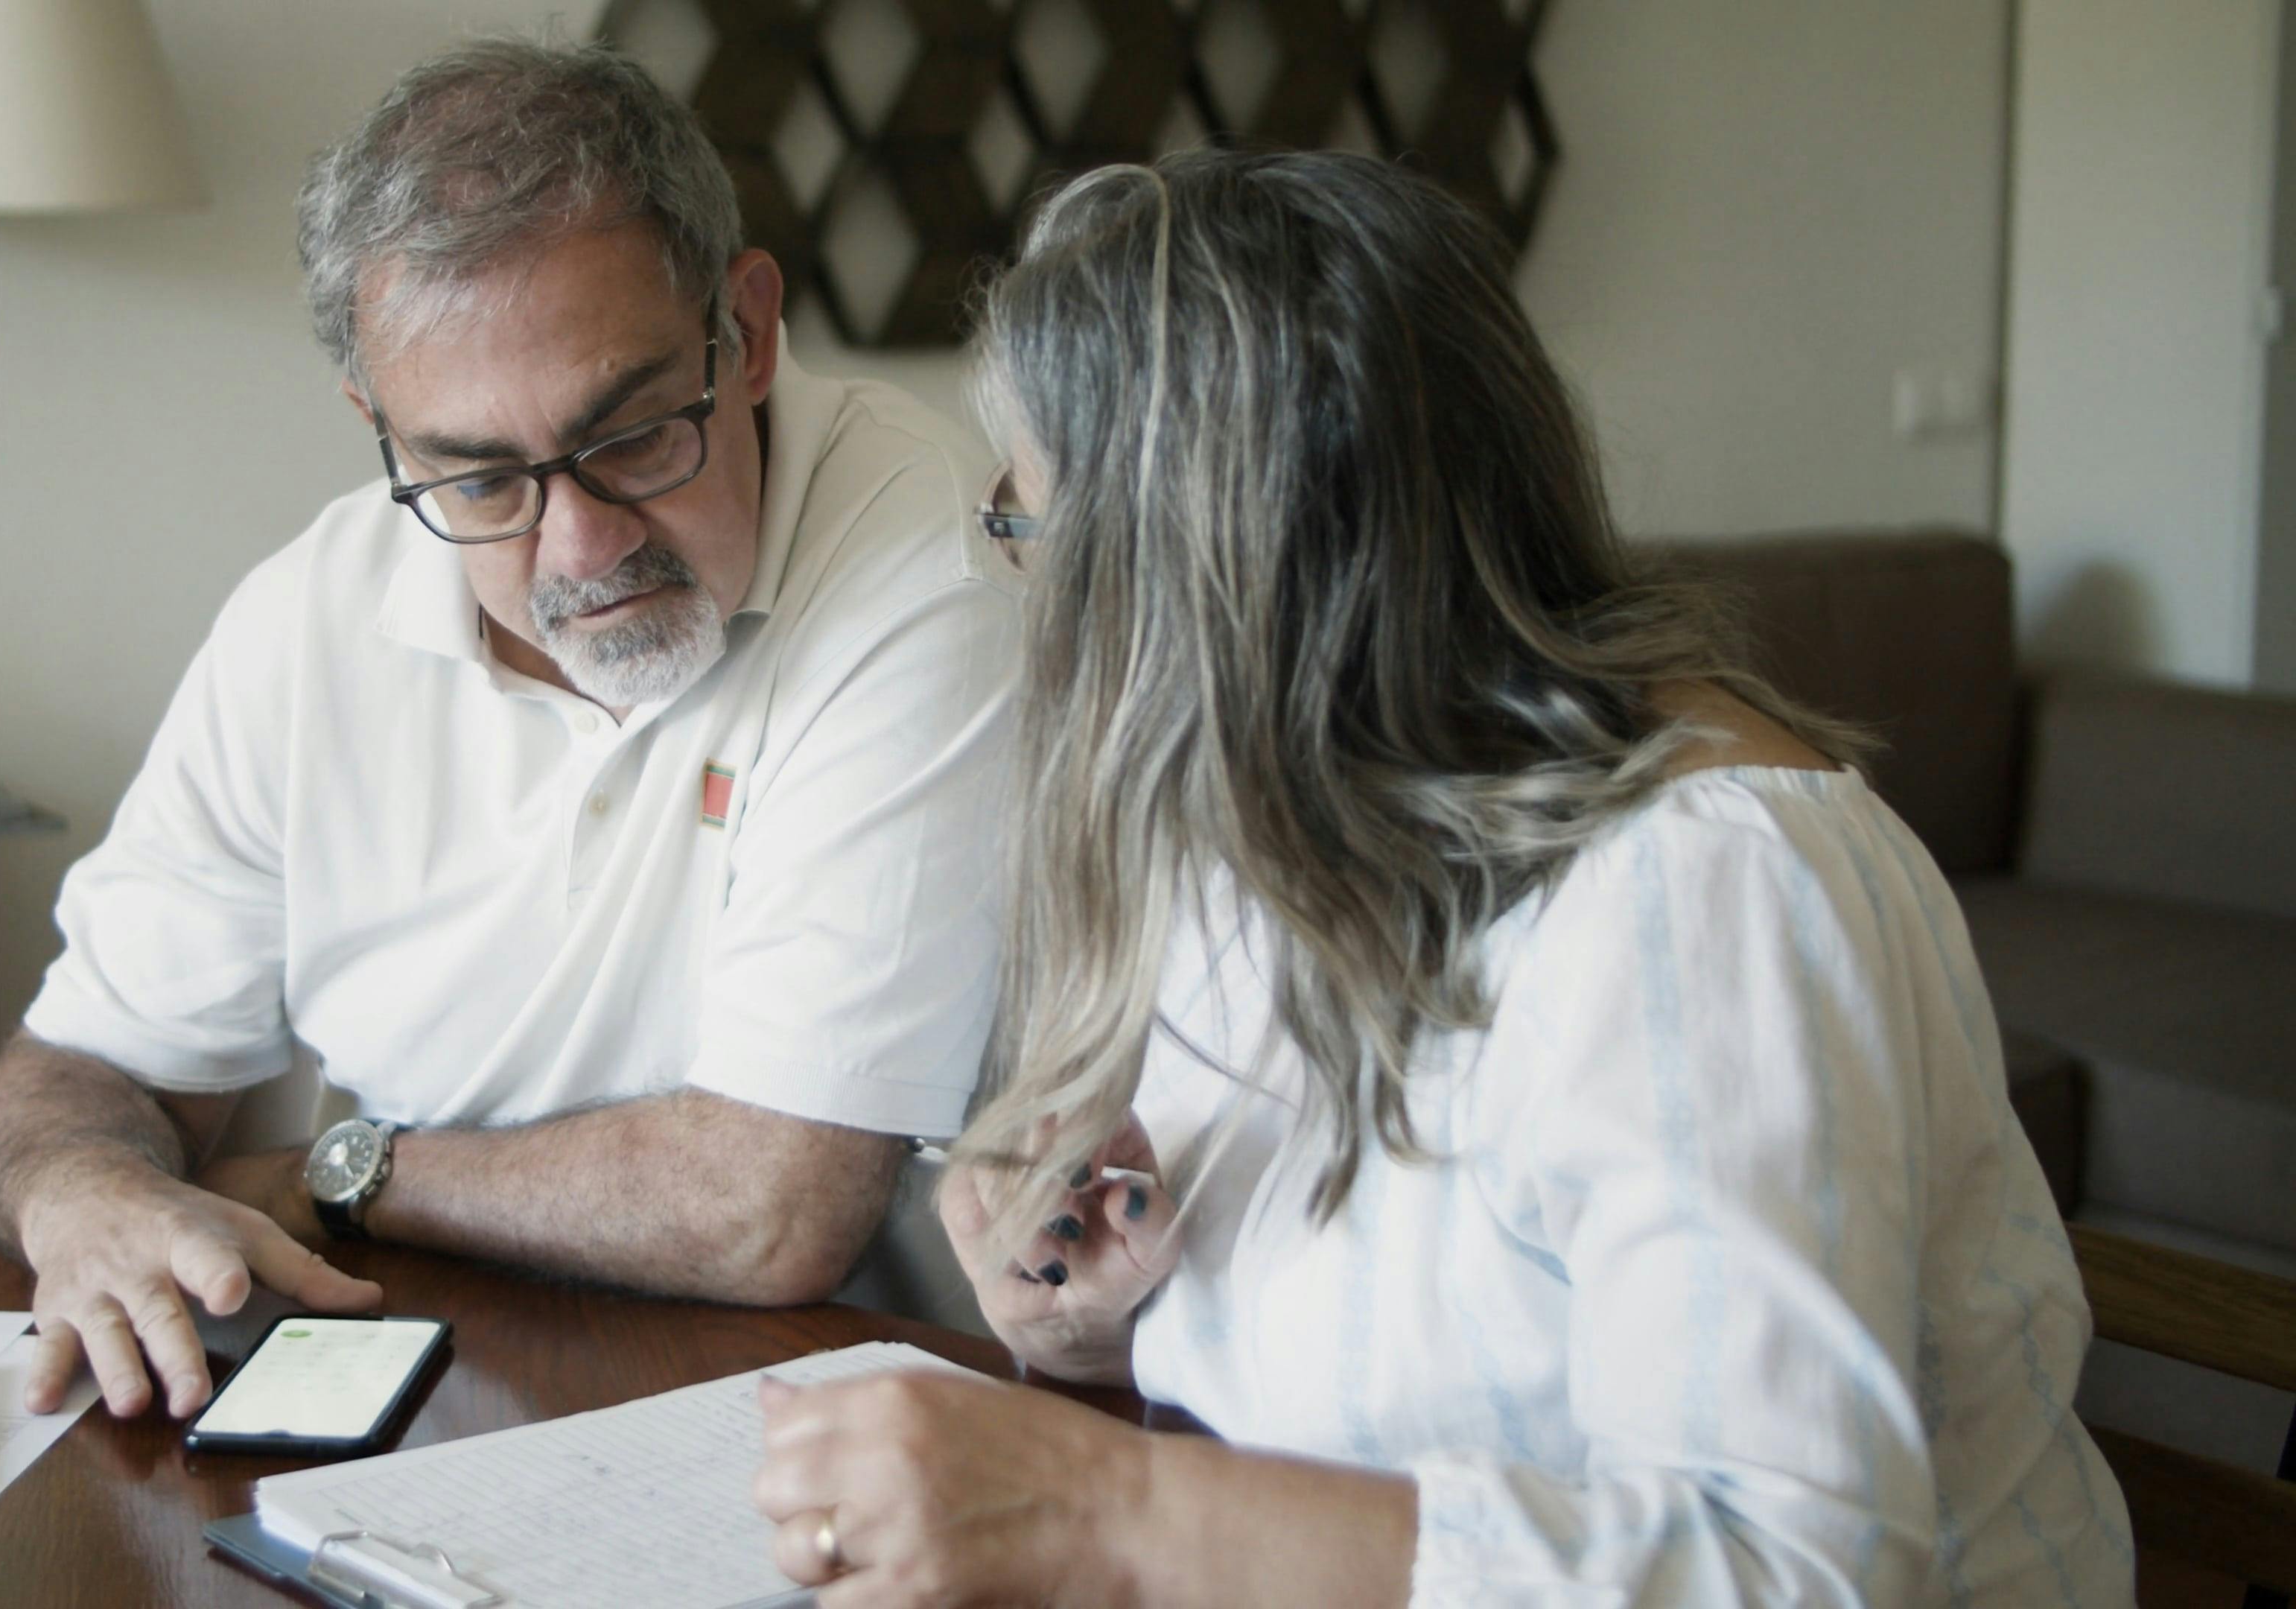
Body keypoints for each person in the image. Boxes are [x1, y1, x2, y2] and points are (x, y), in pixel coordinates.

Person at [751, 151, 2132, 1607]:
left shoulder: (1703, 888)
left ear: (1208, 581)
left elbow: (1782, 1570)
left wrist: (1108, 1508)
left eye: (1028, 533)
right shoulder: (1278, 835)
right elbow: (1367, 1367)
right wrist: (1105, 1321)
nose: (1033, 608)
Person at [0, 39, 1021, 1423]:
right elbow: (88, 1064)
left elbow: (769, 1207)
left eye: (637, 434)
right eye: (476, 476)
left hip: (860, 1412)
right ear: (386, 434)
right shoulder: (309, 614)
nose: (578, 543)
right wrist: (85, 1190)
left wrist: (333, 1171)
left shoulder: (931, 555)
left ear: (748, 333)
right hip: (423, 1381)